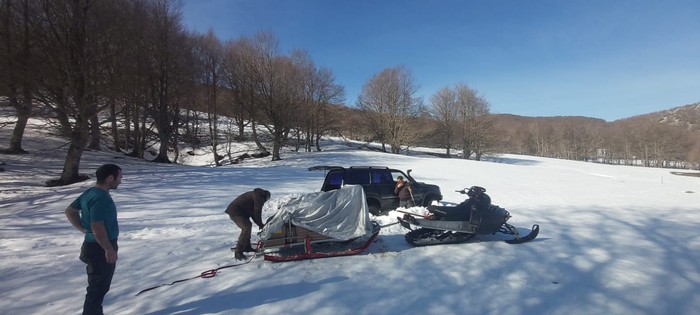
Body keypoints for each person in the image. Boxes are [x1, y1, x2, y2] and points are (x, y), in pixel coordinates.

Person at [65, 164, 122, 315]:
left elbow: (70, 211)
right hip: (100, 248)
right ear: (110, 178)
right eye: (119, 177)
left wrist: (84, 229)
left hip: (93, 245)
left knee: (98, 287)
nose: (121, 181)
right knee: (97, 289)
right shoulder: (100, 197)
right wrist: (108, 248)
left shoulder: (90, 192)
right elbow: (97, 226)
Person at [225, 188, 271, 260]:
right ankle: (238, 252)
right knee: (246, 227)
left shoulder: (256, 195)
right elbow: (257, 212)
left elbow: (253, 214)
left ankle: (246, 246)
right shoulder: (259, 198)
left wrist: (260, 224)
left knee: (248, 225)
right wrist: (260, 224)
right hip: (235, 212)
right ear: (266, 197)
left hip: (238, 211)